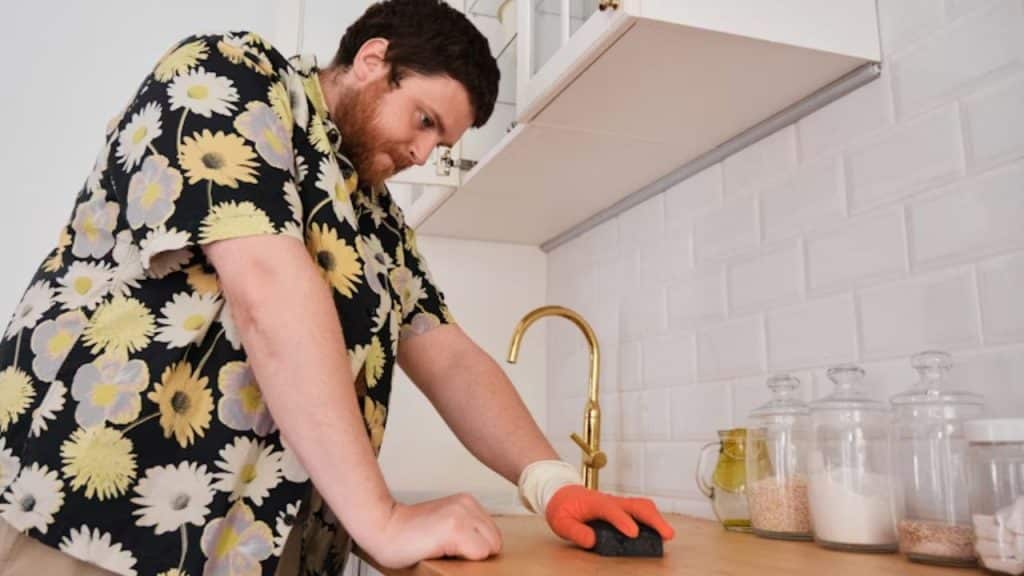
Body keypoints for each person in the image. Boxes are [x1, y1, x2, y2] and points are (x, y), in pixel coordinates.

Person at [0, 1, 674, 574]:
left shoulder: (375, 216)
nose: (422, 154)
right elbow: (265, 280)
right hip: (87, 517)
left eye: (440, 144)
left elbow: (446, 353)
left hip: (245, 548)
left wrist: (549, 484)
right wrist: (380, 516)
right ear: (373, 60)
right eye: (425, 121)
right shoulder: (229, 73)